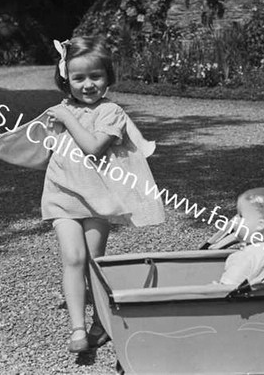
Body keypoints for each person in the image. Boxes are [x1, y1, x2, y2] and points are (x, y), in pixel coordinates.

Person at [43, 37, 164, 353]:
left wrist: (67, 118)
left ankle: (101, 321)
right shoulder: (63, 108)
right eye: (78, 78)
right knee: (73, 258)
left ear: (108, 77)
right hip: (61, 194)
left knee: (94, 262)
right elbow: (32, 139)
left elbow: (94, 148)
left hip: (98, 198)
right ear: (65, 78)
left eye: (95, 76)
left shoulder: (111, 112)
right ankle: (77, 329)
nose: (87, 85)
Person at [219, 187, 264, 287]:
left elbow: (223, 290)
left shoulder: (245, 257)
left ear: (260, 225)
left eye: (241, 216)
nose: (234, 220)